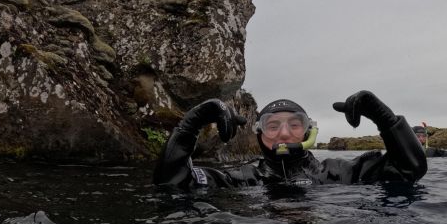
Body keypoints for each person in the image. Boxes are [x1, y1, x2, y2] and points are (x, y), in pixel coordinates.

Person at [153, 90, 427, 188]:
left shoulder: (339, 172)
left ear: (309, 132)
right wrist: (189, 125)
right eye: (272, 126)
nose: (284, 133)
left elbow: (409, 169)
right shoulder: (244, 178)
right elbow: (173, 182)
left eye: (295, 125)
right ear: (259, 134)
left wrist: (386, 120)